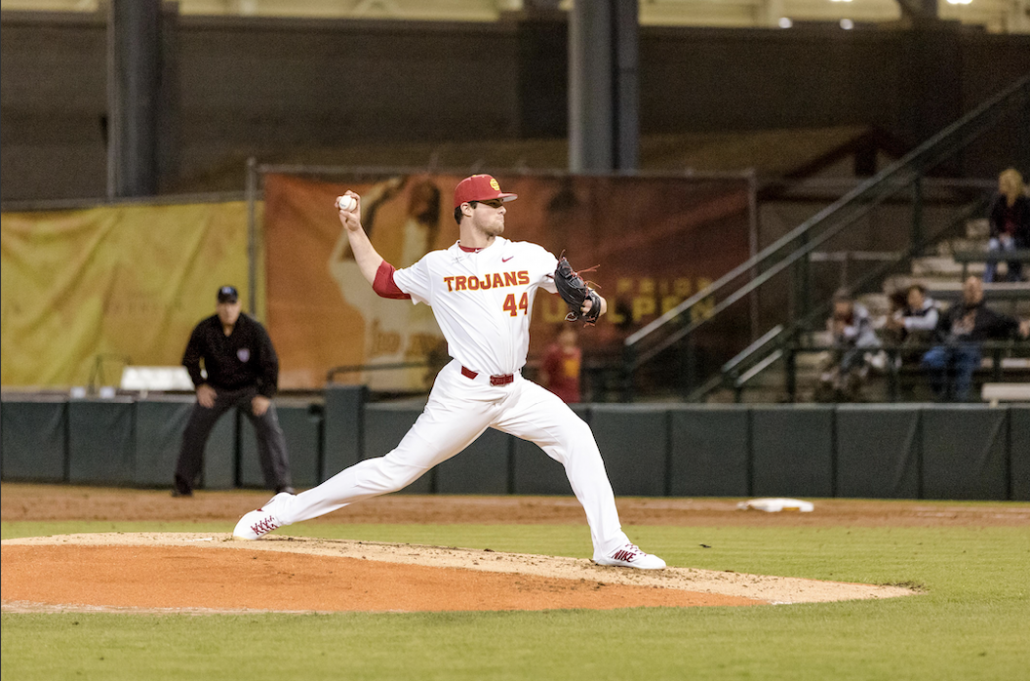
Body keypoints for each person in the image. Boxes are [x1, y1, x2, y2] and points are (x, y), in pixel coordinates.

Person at [233, 174, 666, 570]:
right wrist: (353, 229)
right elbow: (384, 282)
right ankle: (282, 510)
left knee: (578, 437)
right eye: (492, 203)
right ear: (467, 211)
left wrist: (592, 303)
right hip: (464, 392)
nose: (502, 208)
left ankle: (610, 543)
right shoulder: (438, 267)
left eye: (502, 202)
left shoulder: (529, 256)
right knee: (395, 471)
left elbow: (589, 300)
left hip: (515, 390)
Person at [172, 285, 293, 497]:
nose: (228, 309)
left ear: (239, 306)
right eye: (224, 304)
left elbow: (271, 363)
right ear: (217, 306)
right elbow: (189, 360)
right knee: (194, 430)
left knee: (270, 430)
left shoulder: (253, 329)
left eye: (232, 304)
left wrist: (265, 395)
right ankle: (184, 484)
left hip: (249, 390)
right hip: (216, 390)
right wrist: (200, 385)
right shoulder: (205, 329)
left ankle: (282, 485)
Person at [921, 276, 1030, 401]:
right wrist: (946, 340)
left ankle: (960, 398)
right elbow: (939, 329)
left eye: (976, 289)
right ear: (964, 291)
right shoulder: (953, 310)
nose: (973, 293)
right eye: (969, 289)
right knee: (931, 358)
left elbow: (1007, 321)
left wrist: (1021, 323)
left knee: (964, 360)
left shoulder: (987, 314)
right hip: (949, 347)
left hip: (970, 350)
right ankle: (940, 393)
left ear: (981, 292)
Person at [814, 291, 881, 402]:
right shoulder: (837, 316)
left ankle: (845, 386)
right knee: (831, 361)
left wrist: (844, 330)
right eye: (837, 305)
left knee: (848, 360)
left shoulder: (861, 313)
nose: (839, 309)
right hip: (849, 349)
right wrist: (835, 331)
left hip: (866, 346)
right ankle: (835, 385)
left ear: (849, 304)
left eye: (842, 305)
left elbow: (860, 334)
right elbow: (837, 341)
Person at [983, 168, 1030, 283]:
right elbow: (992, 222)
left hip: (1018, 238)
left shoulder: (1024, 202)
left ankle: (1014, 279)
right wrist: (999, 235)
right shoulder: (998, 200)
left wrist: (1011, 234)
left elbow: (1025, 225)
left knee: (1010, 245)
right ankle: (987, 281)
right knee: (993, 246)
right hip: (1000, 236)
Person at [539, 325, 582, 403]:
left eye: (571, 333)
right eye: (565, 334)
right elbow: (544, 375)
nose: (569, 336)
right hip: (557, 396)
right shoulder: (553, 352)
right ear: (559, 336)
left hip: (574, 397)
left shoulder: (577, 353)